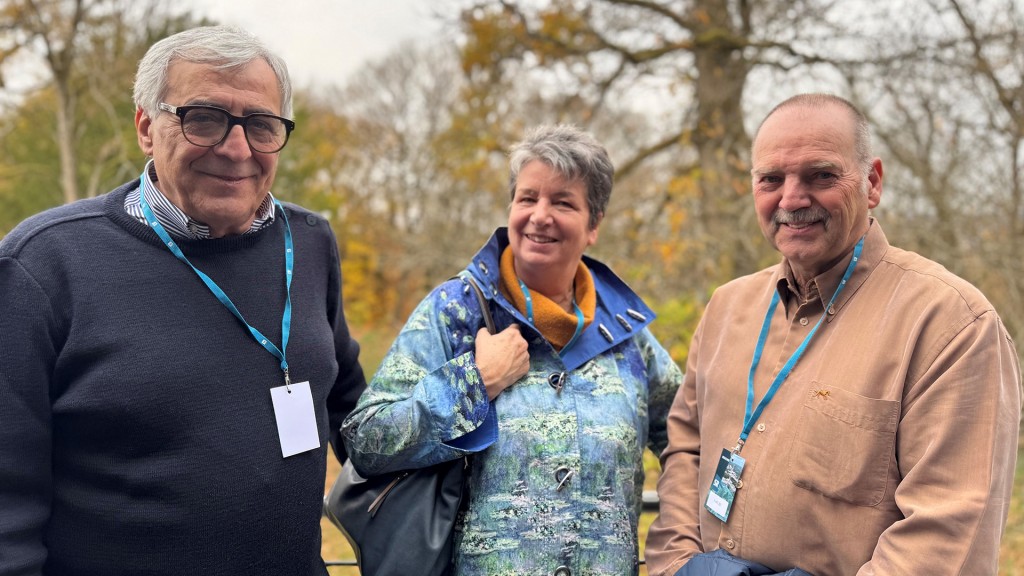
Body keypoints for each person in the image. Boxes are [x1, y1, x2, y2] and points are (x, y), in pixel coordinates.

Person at [0, 25, 366, 576]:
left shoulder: (310, 242)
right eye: (205, 118)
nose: (237, 149)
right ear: (147, 128)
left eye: (261, 125)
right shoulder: (44, 264)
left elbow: (351, 407)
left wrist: (466, 396)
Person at [644, 93, 1022, 575]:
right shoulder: (726, 308)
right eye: (771, 179)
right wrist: (679, 565)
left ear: (872, 183)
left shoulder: (950, 325)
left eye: (821, 175)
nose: (792, 199)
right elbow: (686, 450)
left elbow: (946, 531)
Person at [341, 124, 683, 575]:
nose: (540, 215)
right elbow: (365, 440)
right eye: (528, 198)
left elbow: (691, 443)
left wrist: (680, 549)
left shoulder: (627, 336)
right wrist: (474, 383)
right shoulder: (455, 312)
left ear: (594, 224)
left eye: (563, 202)